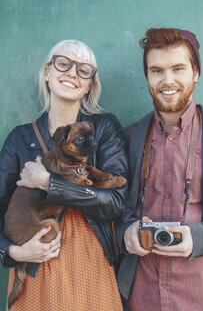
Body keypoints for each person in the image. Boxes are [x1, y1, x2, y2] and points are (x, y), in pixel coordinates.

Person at [0, 40, 128, 310]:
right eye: (63, 64)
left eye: (83, 70)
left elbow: (116, 202)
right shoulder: (20, 138)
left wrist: (49, 183)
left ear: (90, 84)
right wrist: (12, 251)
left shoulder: (103, 128)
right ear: (47, 72)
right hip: (35, 261)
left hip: (91, 260)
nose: (72, 73)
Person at [116, 28, 203, 311]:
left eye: (178, 68)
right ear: (148, 76)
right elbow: (112, 213)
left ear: (196, 72)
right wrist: (126, 233)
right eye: (157, 70)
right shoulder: (128, 139)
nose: (167, 80)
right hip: (140, 296)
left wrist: (198, 238)